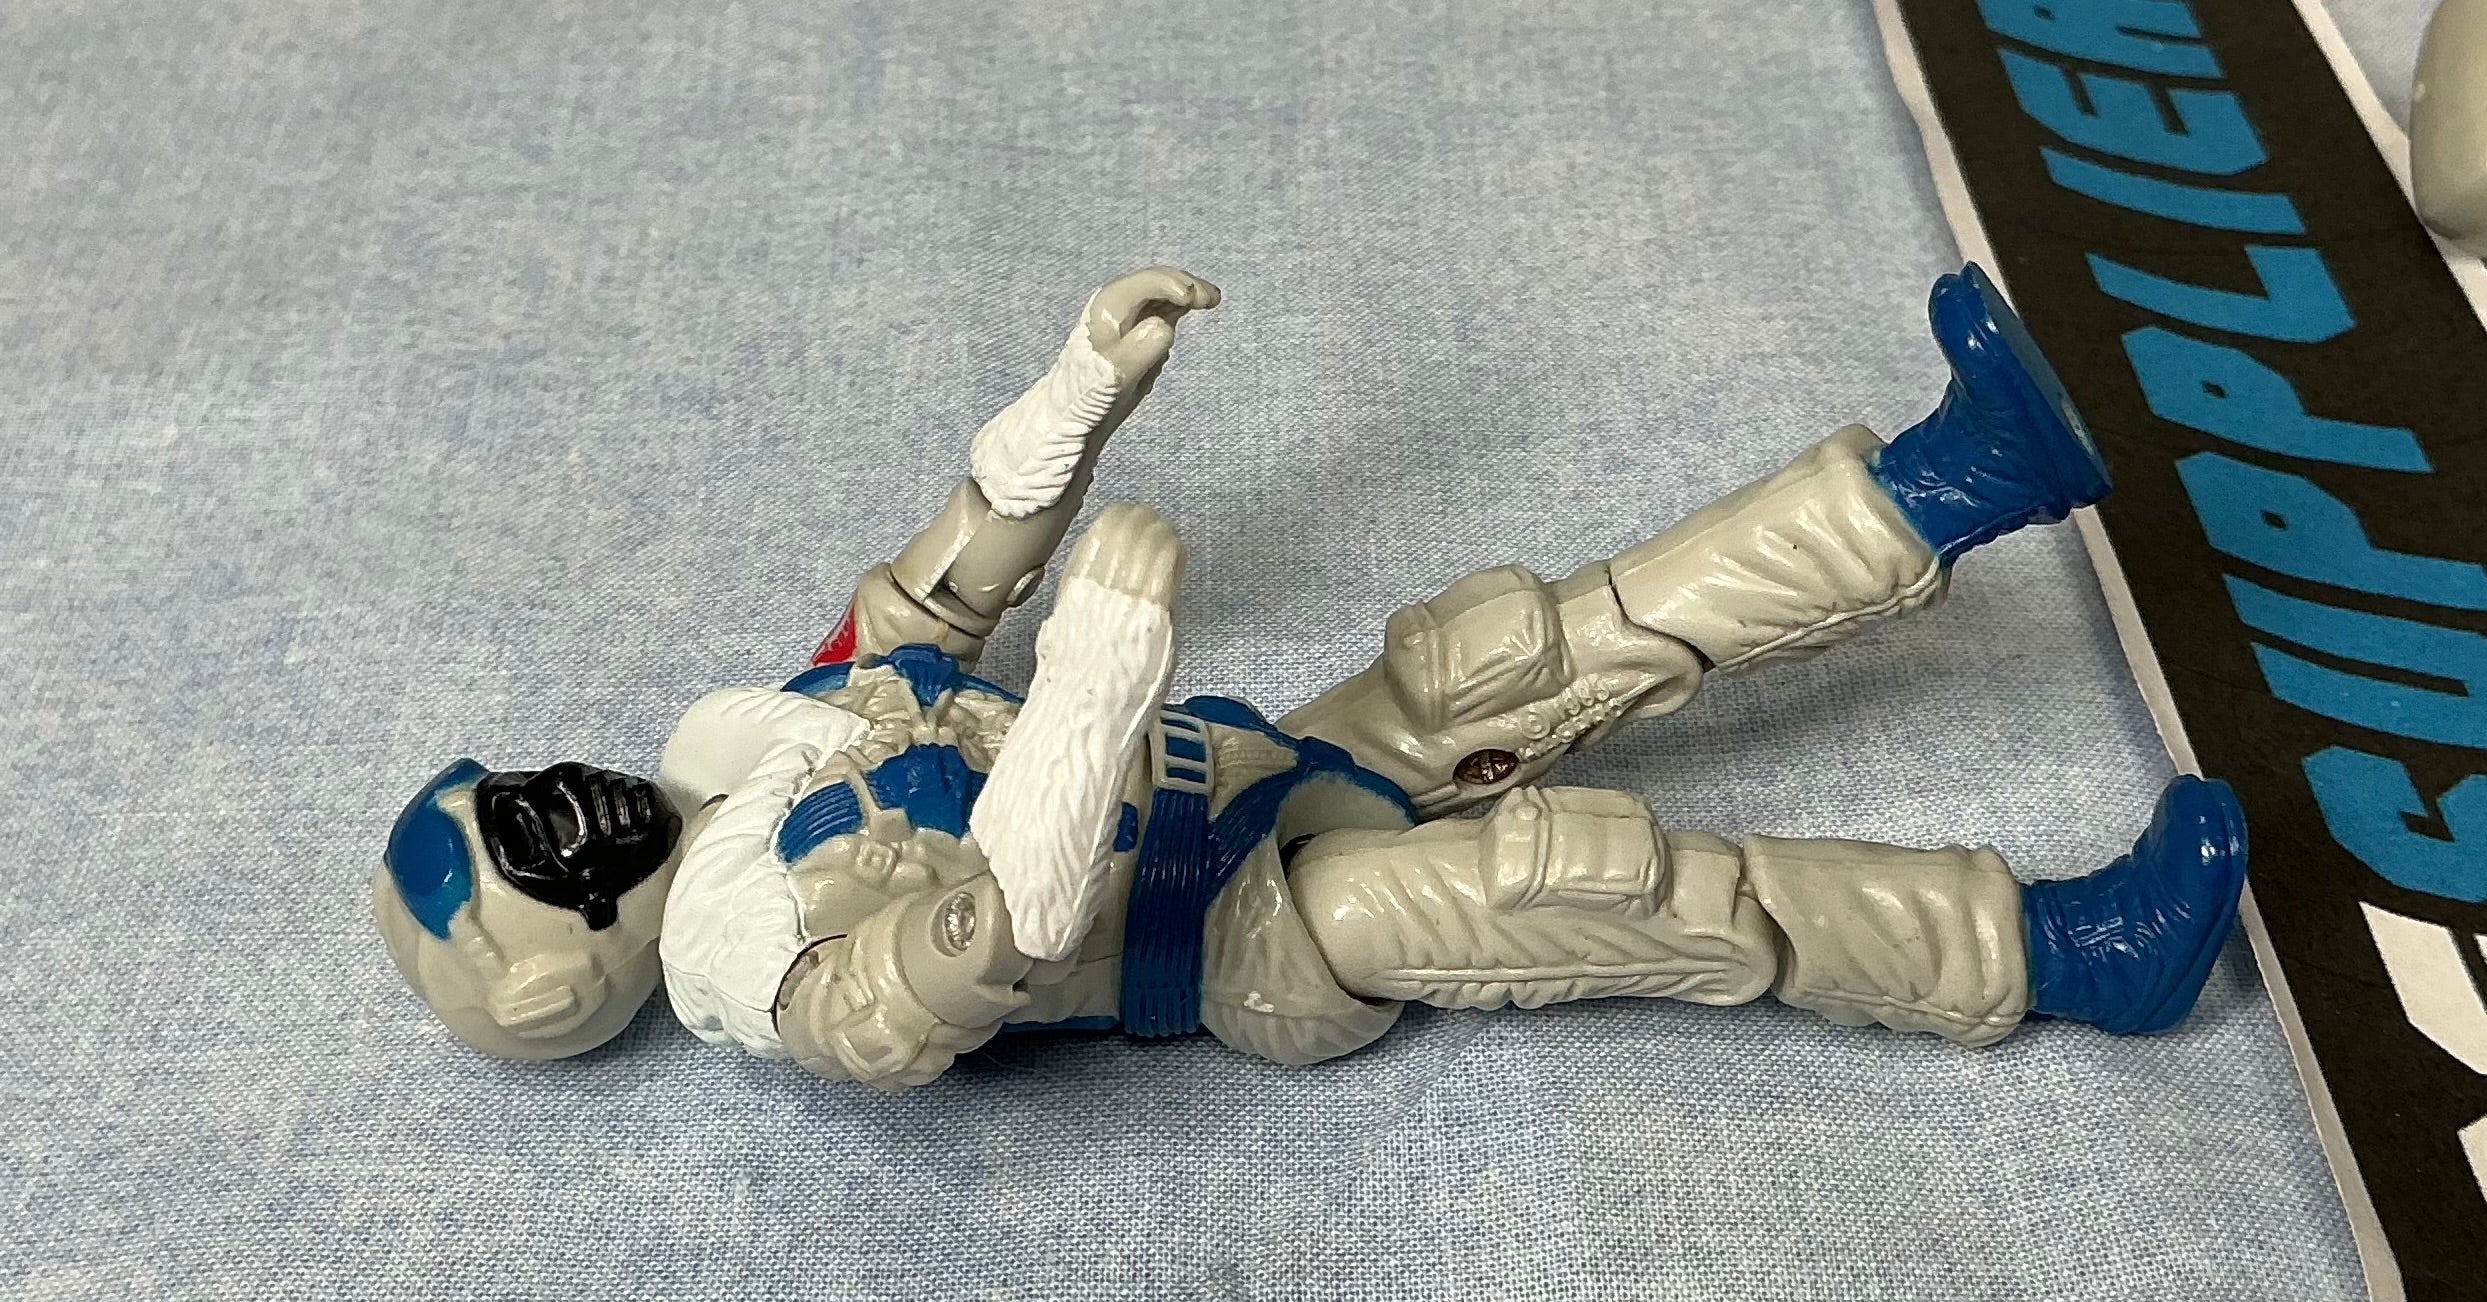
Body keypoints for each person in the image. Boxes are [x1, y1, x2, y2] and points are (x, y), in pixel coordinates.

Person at [373, 265, 2250, 1092]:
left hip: (1248, 768)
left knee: (1511, 649)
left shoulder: (752, 751)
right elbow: (991, 941)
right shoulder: (760, 955)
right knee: (1592, 884)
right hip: (1260, 939)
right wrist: (1094, 676)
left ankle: (1953, 478)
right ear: (554, 974)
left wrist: (1074, 395)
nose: (555, 806)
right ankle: (2063, 952)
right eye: (523, 849)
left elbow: (930, 602)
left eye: (511, 791)